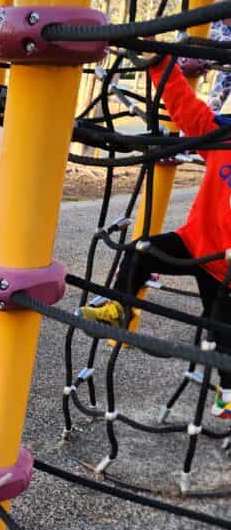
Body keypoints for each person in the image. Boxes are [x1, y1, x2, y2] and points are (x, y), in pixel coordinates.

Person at [82, 56, 231, 419]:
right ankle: (119, 307)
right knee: (139, 253)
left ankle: (227, 393)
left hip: (226, 272)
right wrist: (159, 62)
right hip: (194, 243)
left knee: (220, 335)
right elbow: (185, 106)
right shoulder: (222, 137)